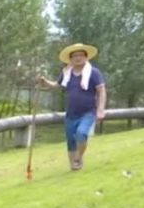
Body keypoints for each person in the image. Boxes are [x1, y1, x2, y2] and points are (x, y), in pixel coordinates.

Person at [38, 43, 107, 171]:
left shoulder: (94, 73)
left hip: (88, 112)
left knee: (81, 133)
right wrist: (45, 82)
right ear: (70, 59)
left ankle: (79, 157)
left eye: (81, 55)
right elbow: (56, 85)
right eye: (75, 56)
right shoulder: (67, 73)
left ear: (86, 57)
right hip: (71, 114)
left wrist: (101, 109)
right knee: (71, 142)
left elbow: (101, 90)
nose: (78, 58)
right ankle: (74, 167)